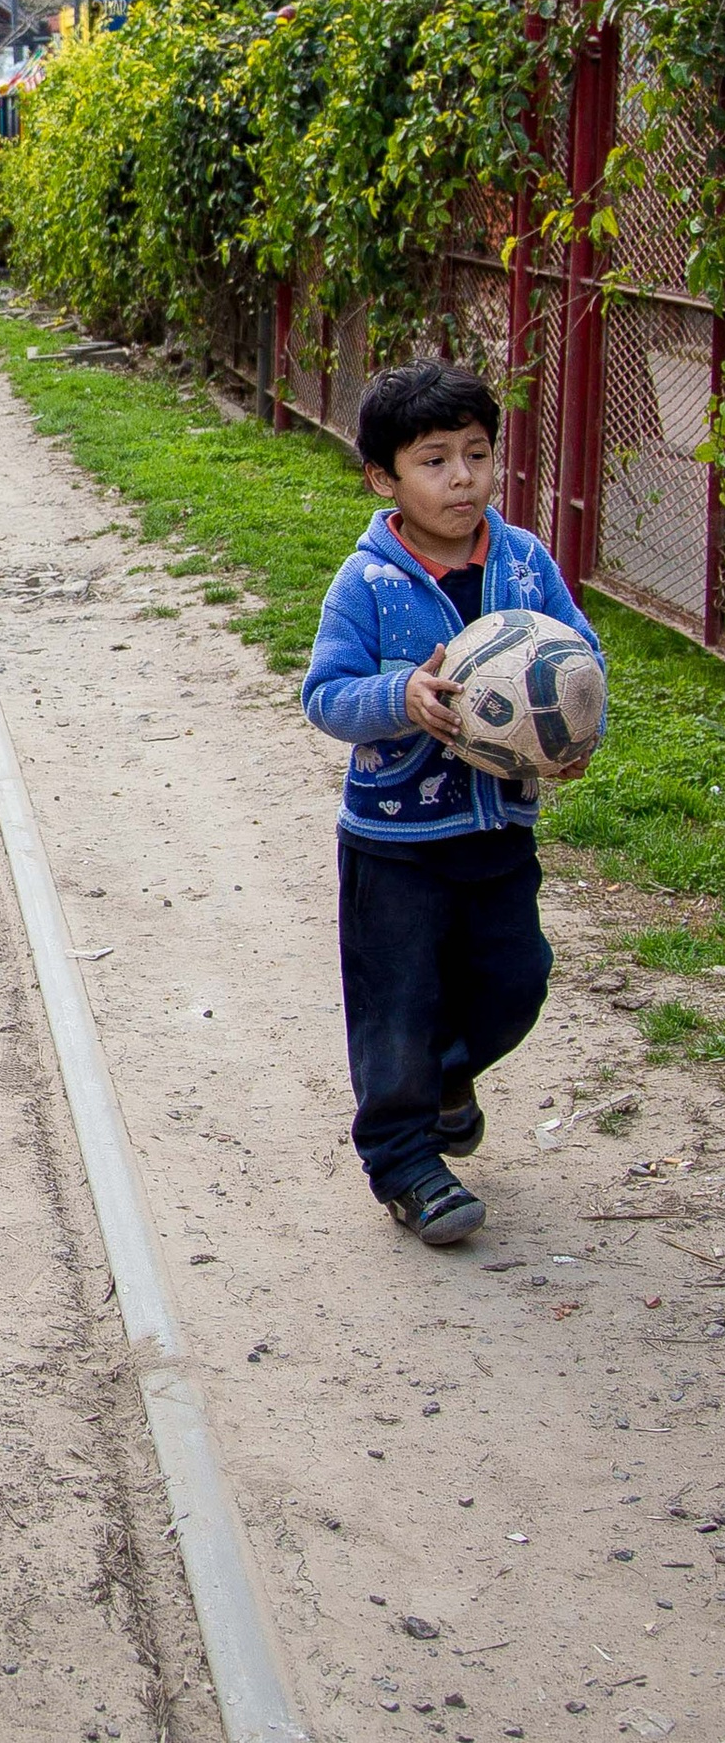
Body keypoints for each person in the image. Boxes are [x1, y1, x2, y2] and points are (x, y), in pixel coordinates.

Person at [302, 362, 604, 1248]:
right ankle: (405, 1164)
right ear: (384, 478)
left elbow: (578, 655)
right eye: (434, 460)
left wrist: (576, 732)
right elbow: (326, 693)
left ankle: (444, 1081)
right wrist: (403, 697)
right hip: (395, 841)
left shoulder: (525, 562)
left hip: (498, 830)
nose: (463, 478)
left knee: (517, 982)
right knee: (395, 1005)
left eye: (476, 454)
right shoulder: (368, 582)